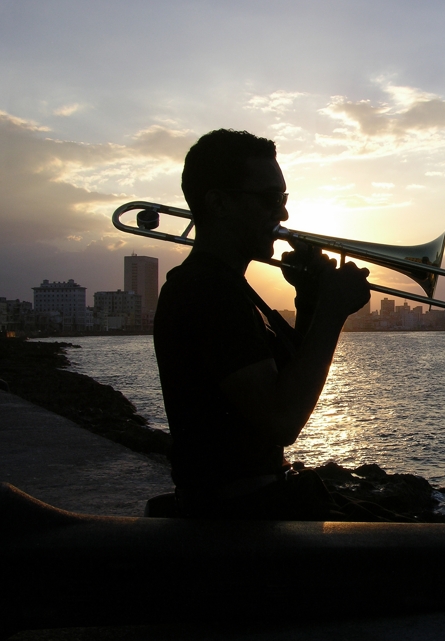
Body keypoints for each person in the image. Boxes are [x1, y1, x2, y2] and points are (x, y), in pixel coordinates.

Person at [154, 128, 375, 520]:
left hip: (248, 507)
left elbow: (287, 380)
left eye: (283, 199)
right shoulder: (204, 291)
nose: (283, 213)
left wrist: (309, 302)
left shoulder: (228, 287)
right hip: (235, 523)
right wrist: (331, 312)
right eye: (271, 199)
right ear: (219, 203)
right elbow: (282, 420)